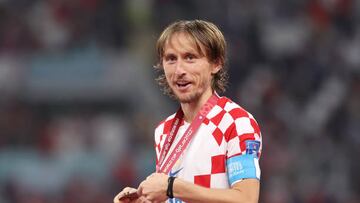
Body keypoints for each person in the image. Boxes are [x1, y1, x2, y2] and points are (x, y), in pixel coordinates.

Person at [114, 19, 262, 203]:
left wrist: (171, 186)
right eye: (171, 59)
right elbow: (179, 197)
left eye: (190, 57)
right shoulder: (164, 130)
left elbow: (246, 199)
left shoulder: (236, 122)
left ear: (216, 63)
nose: (179, 70)